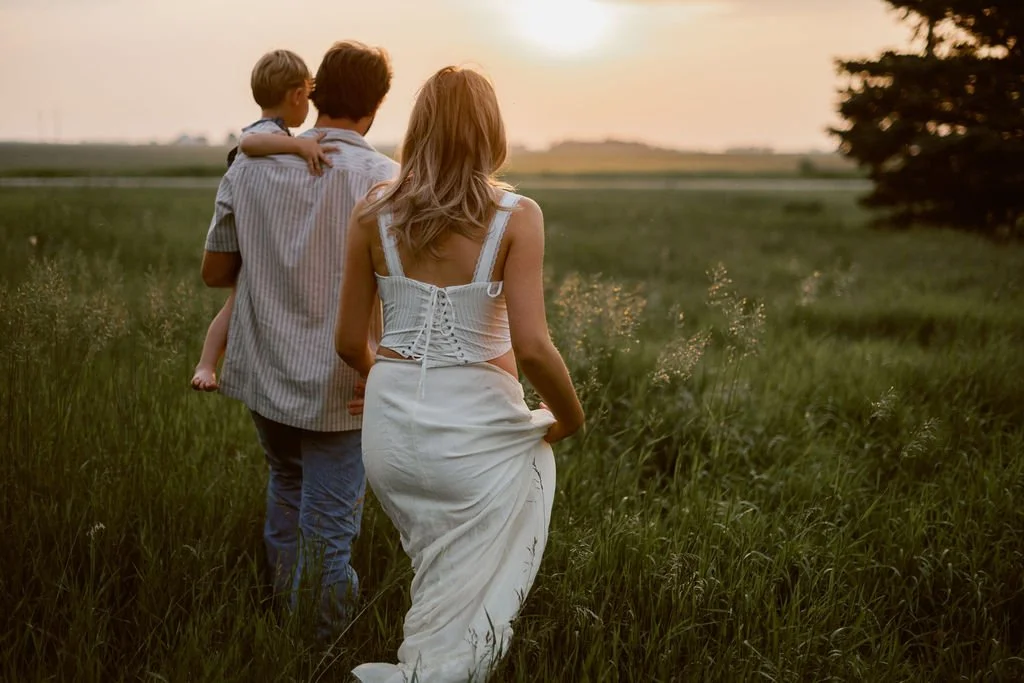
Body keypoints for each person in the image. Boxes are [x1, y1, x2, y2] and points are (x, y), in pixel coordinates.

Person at [335, 65, 585, 682]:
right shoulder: (516, 215)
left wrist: (383, 378)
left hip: (390, 432)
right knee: (530, 470)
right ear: (489, 131)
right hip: (475, 431)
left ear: (420, 130)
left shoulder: (372, 214)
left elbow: (347, 341)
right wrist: (572, 417)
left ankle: (423, 666)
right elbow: (530, 345)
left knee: (435, 567)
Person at [201, 40, 397, 640]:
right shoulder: (385, 179)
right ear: (376, 105)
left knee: (286, 486)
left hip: (266, 374)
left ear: (314, 94)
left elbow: (214, 273)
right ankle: (321, 650)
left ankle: (285, 622)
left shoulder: (248, 163)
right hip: (346, 385)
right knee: (331, 527)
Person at [192, 48, 336, 392]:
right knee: (234, 304)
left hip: (254, 232)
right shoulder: (265, 132)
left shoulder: (279, 133)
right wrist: (301, 147)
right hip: (251, 235)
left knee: (236, 303)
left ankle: (208, 364)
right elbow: (249, 142)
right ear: (298, 95)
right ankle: (206, 364)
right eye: (309, 96)